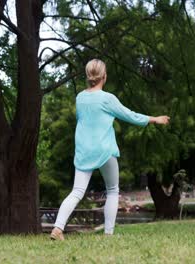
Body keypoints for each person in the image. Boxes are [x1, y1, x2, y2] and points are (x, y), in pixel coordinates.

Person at [50, 59, 170, 240]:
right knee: (113, 190)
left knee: (77, 191)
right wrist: (155, 119)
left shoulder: (80, 98)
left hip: (83, 151)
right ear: (104, 77)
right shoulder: (108, 99)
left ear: (88, 76)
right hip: (104, 151)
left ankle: (57, 229)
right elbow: (130, 115)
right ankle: (108, 234)